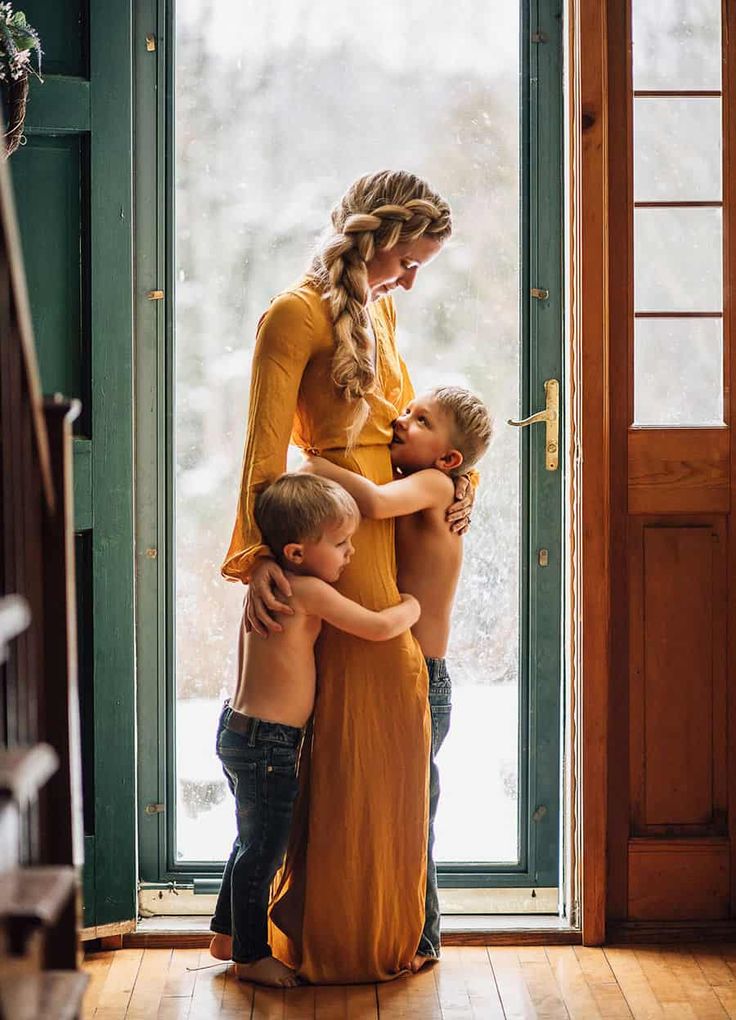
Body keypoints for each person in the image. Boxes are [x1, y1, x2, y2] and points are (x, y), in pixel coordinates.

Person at [221, 170, 473, 983]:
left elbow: (406, 435)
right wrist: (260, 557)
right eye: (410, 260)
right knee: (349, 740)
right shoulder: (292, 316)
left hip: (387, 527)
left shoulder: (382, 308)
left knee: (388, 741)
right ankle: (327, 934)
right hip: (333, 535)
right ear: (379, 240)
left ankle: (383, 925)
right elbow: (264, 452)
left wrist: (452, 492)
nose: (412, 278)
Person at [301, 385, 493, 968]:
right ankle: (414, 931)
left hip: (425, 681)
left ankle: (424, 937)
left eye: (420, 419)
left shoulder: (434, 485)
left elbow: (378, 505)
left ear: (449, 459)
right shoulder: (440, 481)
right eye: (408, 411)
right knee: (402, 806)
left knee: (414, 809)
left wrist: (319, 462)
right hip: (405, 675)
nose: (401, 422)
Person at [209, 473, 420, 987]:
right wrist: (413, 606)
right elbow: (375, 627)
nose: (351, 553)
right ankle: (252, 957)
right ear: (298, 553)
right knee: (264, 849)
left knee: (249, 840)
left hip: (241, 732)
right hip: (270, 744)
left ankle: (227, 934)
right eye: (342, 543)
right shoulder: (305, 591)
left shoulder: (271, 586)